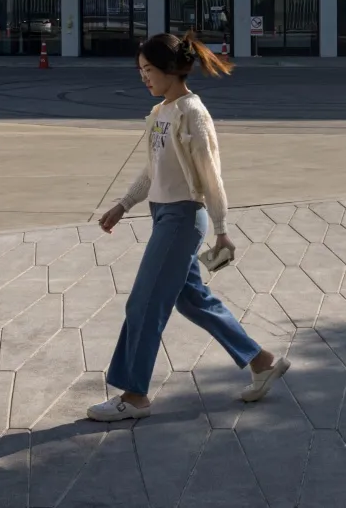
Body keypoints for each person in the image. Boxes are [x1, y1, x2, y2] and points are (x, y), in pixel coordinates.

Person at [87, 30, 289, 420]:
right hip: (162, 213)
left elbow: (209, 174)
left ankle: (135, 396)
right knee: (192, 299)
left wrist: (221, 227)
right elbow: (153, 169)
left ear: (169, 69)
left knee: (144, 302)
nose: (143, 77)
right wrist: (123, 204)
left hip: (182, 216)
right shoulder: (161, 111)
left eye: (148, 69)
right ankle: (262, 362)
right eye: (140, 70)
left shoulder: (192, 112)